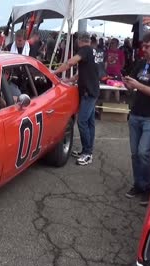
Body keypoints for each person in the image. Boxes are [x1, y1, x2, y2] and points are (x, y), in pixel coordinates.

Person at [123, 32, 150, 206]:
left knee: (144, 152)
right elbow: (131, 86)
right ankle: (138, 185)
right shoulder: (141, 63)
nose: (143, 49)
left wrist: (138, 85)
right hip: (135, 114)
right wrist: (128, 84)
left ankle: (147, 189)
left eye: (147, 46)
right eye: (143, 46)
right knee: (135, 154)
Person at [53, 32, 99, 166]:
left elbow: (70, 62)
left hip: (88, 93)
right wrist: (67, 80)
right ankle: (87, 150)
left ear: (79, 41)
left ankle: (87, 153)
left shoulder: (85, 50)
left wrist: (54, 72)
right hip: (92, 91)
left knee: (82, 122)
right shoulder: (92, 51)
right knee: (89, 123)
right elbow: (82, 73)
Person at [104, 38, 125, 102]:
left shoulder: (120, 52)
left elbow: (123, 63)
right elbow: (104, 61)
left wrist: (118, 69)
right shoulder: (107, 52)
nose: (111, 44)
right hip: (108, 73)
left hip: (116, 73)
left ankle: (117, 103)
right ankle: (106, 104)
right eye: (111, 43)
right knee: (107, 89)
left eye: (113, 43)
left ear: (117, 44)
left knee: (116, 89)